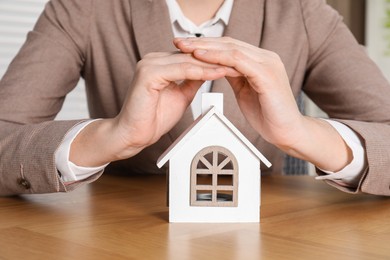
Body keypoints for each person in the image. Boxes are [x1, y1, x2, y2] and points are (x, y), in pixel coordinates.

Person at [1, 0, 390, 196]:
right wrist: (109, 137)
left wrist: (301, 134)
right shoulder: (84, 8)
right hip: (122, 242)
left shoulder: (302, 12)